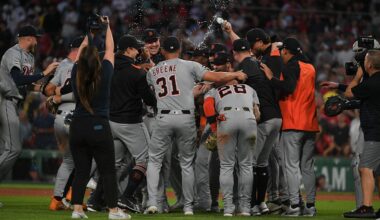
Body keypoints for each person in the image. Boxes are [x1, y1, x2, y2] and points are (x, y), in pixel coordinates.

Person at [145, 36, 247, 215]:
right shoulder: (189, 65)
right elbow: (214, 76)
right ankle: (188, 207)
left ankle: (153, 202)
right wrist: (235, 74)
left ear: (162, 51)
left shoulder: (153, 72)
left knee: (154, 161)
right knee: (186, 164)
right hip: (185, 118)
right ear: (179, 49)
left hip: (163, 117)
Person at [68, 16, 130, 219]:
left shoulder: (76, 71)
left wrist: (90, 31)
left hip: (77, 126)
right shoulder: (105, 72)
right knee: (108, 172)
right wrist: (107, 26)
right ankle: (113, 211)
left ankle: (77, 209)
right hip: (98, 126)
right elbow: (111, 49)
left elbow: (81, 53)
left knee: (81, 171)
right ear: (97, 60)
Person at [260, 37, 319, 217]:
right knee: (307, 167)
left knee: (291, 166)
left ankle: (294, 205)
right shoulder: (311, 67)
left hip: (294, 122)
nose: (282, 54)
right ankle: (310, 206)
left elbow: (289, 87)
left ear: (286, 51)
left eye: (283, 51)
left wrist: (271, 77)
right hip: (310, 123)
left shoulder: (292, 66)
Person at [0, 25, 58, 181]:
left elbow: (26, 84)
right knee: (14, 149)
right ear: (28, 38)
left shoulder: (30, 57)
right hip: (4, 100)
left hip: (13, 103)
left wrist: (44, 88)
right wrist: (44, 73)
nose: (37, 40)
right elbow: (17, 79)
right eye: (35, 37)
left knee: (4, 151)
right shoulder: (13, 53)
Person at [109, 34, 156, 213]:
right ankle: (126, 197)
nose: (138, 51)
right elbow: (150, 100)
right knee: (145, 159)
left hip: (110, 121)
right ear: (128, 49)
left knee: (114, 164)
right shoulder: (137, 72)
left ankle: (102, 199)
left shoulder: (108, 67)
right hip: (130, 122)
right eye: (136, 48)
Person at [44, 36, 82, 211]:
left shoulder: (62, 66)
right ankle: (76, 198)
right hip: (77, 115)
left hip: (59, 117)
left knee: (68, 161)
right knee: (89, 158)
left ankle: (56, 199)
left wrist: (54, 97)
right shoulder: (85, 66)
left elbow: (48, 90)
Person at [343, 50, 380, 218]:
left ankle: (366, 207)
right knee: (377, 172)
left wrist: (358, 75)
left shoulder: (372, 82)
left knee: (365, 168)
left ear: (369, 65)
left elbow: (350, 92)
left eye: (364, 61)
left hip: (375, 132)